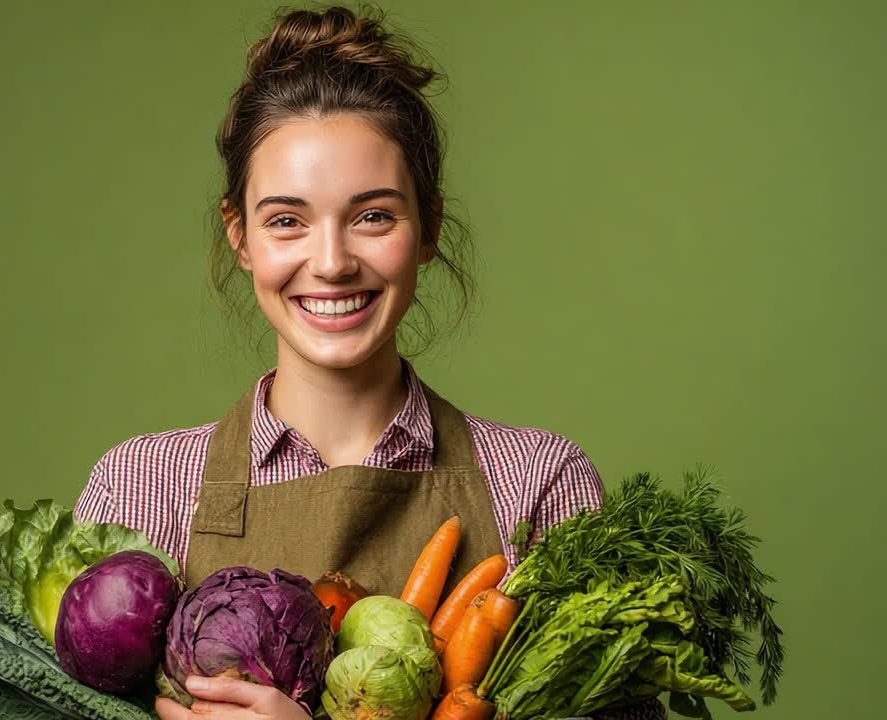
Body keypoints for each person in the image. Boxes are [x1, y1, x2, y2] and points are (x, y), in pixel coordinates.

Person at [74, 6, 665, 720]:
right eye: (287, 220)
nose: (330, 262)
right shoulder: (141, 493)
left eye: (373, 216)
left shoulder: (538, 490)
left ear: (428, 229)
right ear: (242, 238)